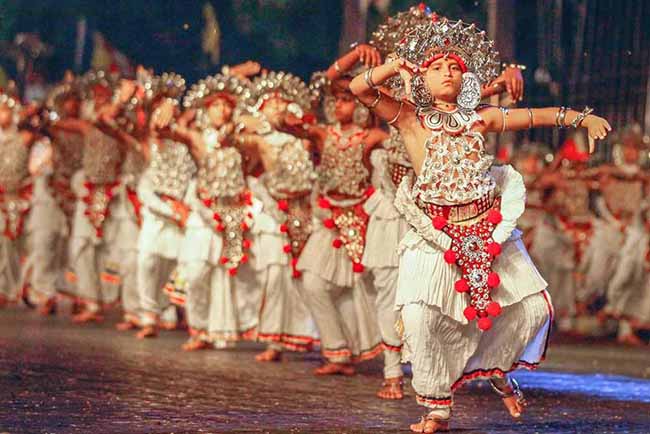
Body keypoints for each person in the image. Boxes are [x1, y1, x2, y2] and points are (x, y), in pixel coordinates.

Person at [350, 17, 611, 432]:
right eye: (436, 67)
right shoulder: (410, 118)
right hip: (434, 235)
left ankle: (498, 371)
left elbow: (532, 116)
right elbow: (359, 89)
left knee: (532, 310)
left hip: (486, 230)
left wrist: (578, 118)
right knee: (419, 318)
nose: (447, 73)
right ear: (421, 76)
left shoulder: (482, 117)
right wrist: (392, 64)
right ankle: (437, 408)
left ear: (465, 76)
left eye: (454, 67)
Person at [236, 70, 321, 360]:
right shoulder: (259, 138)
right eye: (270, 103)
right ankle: (273, 340)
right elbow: (237, 136)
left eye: (281, 102)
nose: (277, 107)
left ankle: (301, 334)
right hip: (273, 212)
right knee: (274, 276)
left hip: (303, 209)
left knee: (299, 277)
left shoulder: (303, 137)